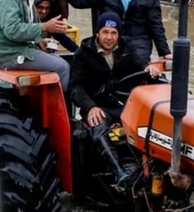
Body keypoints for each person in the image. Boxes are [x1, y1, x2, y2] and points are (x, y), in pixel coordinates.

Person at [70, 11, 163, 184]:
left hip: (123, 105)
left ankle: (152, 170)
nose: (109, 37)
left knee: (153, 121)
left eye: (114, 33)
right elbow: (75, 87)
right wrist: (90, 107)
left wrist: (148, 67)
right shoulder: (83, 54)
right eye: (105, 32)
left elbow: (139, 63)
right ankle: (120, 173)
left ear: (119, 35)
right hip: (99, 106)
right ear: (97, 33)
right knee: (98, 125)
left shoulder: (126, 48)